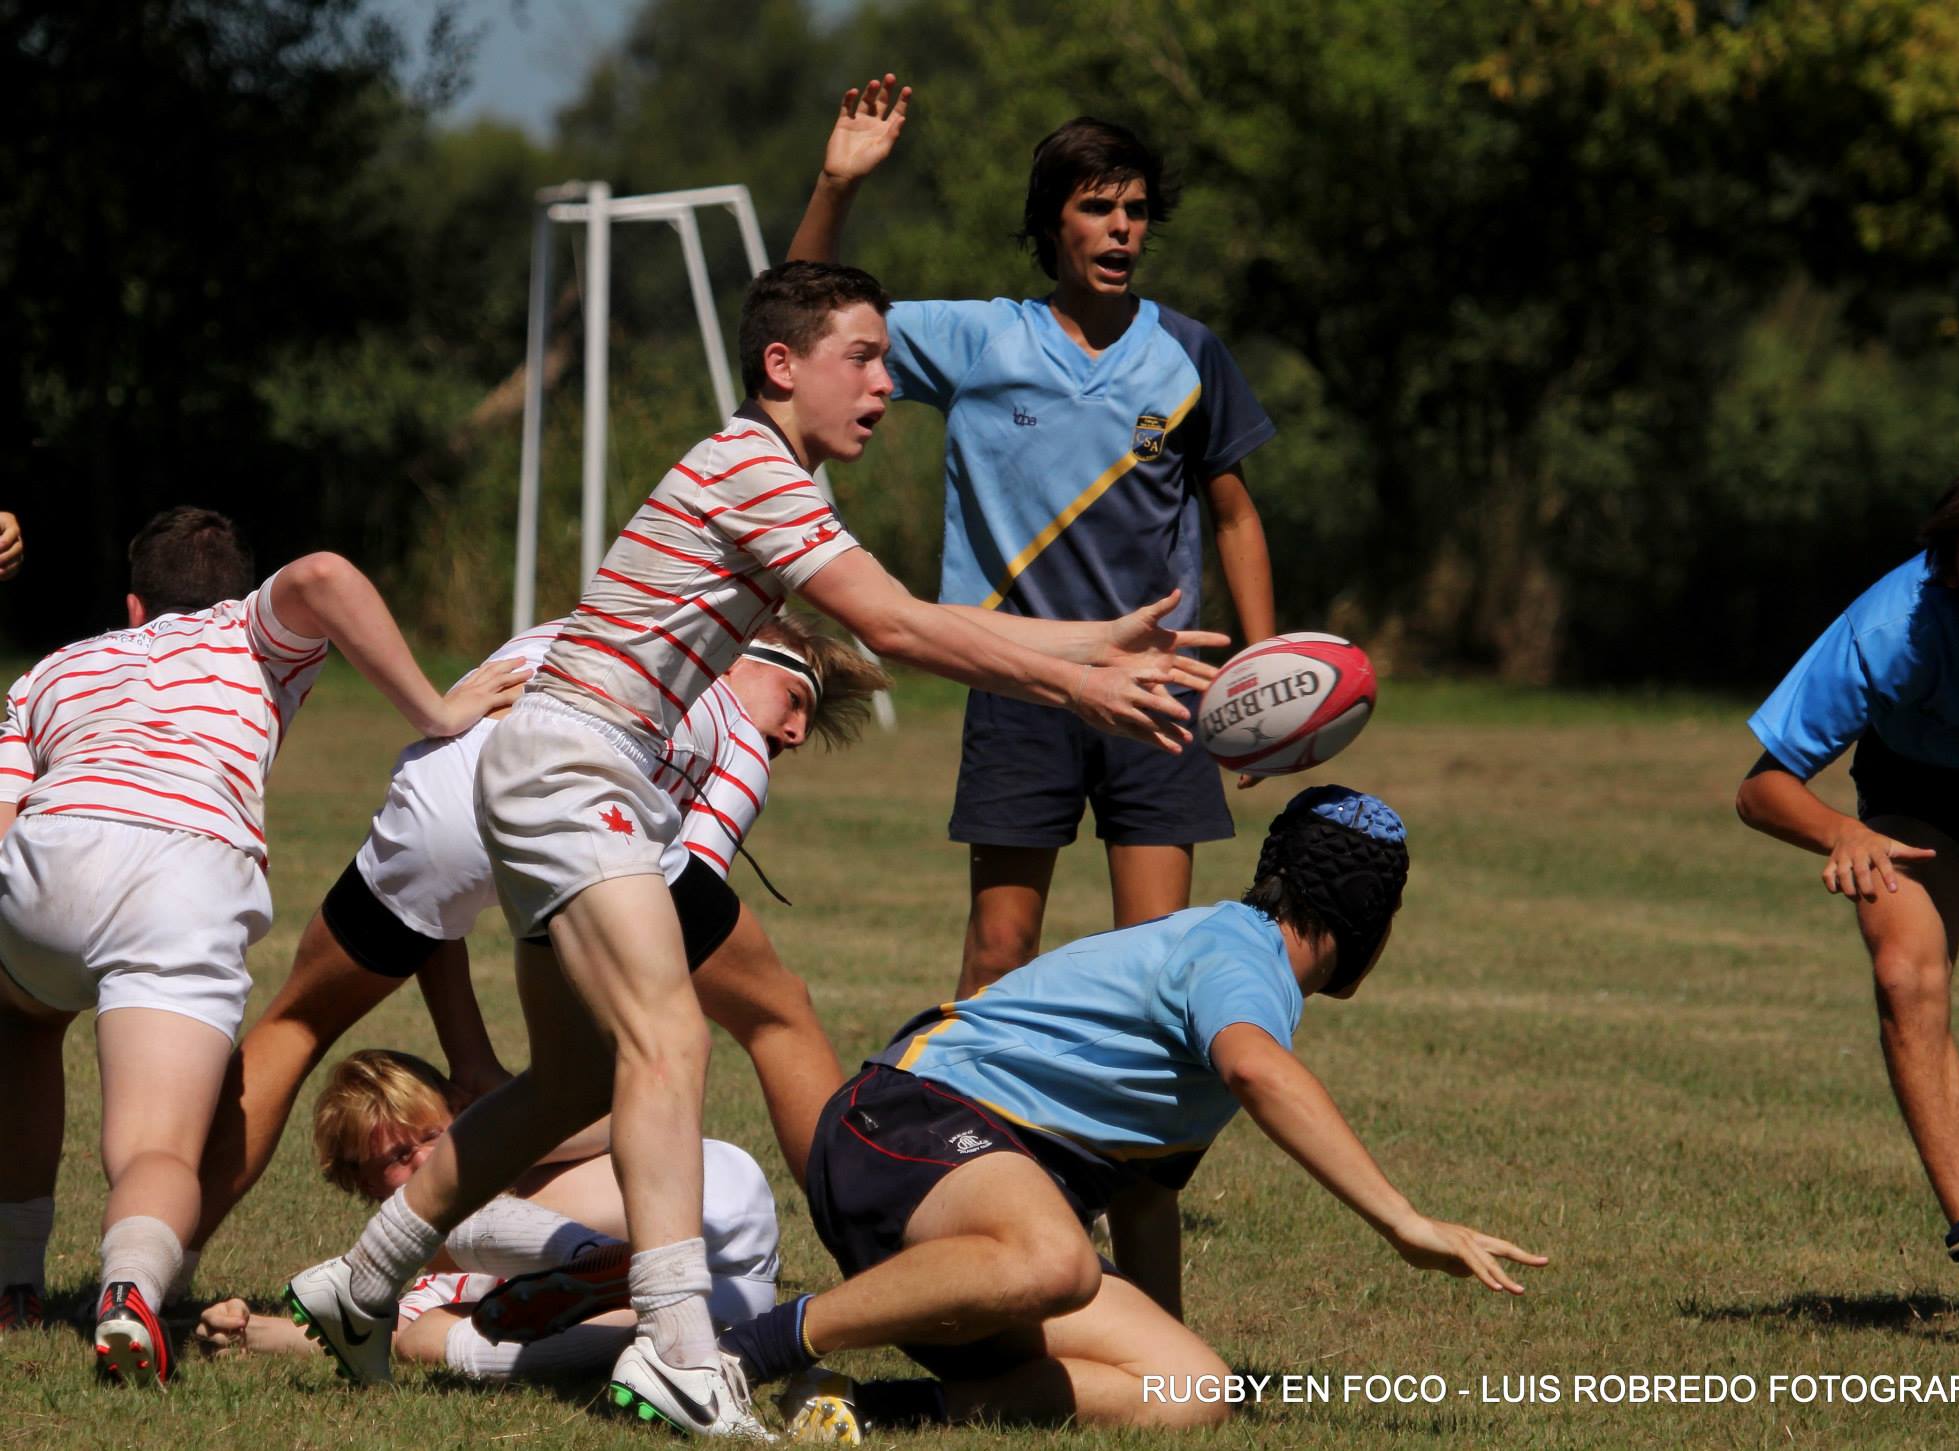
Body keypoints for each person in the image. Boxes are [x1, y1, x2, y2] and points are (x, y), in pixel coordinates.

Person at [284, 260, 1226, 1438]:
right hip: (574, 765)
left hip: (561, 769)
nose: (887, 382)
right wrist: (1080, 683)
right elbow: (891, 626)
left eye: (888, 359)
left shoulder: (763, 470)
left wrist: (1094, 639)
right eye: (863, 358)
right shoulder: (751, 467)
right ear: (783, 365)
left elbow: (907, 614)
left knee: (578, 1076)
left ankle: (360, 1282)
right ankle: (679, 1344)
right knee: (669, 1032)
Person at [696, 786, 1545, 1437]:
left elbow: (1146, 1194)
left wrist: (1149, 1336)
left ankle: (875, 1410)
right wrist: (1402, 1219)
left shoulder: (1246, 982)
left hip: (963, 1205)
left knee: (1193, 1388)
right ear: (1373, 926)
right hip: (905, 1126)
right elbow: (1258, 1070)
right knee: (1058, 1258)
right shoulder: (1236, 955)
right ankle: (740, 1352)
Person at [0, 507, 524, 1384]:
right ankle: (128, 1292)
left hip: (52, 854)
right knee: (153, 1150)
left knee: (19, 1021)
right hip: (185, 875)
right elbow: (321, 574)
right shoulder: (247, 629)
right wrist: (437, 708)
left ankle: (15, 1281)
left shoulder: (53, 668)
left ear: (134, 607)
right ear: (236, 594)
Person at [190, 610, 884, 1267]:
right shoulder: (735, 729)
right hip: (574, 812)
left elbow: (442, 898)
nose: (793, 732)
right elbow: (673, 903)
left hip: (445, 794)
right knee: (776, 1011)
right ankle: (872, 1252)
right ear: (739, 658)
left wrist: (471, 1057)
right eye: (795, 699)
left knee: (298, 1019)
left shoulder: (589, 624)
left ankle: (162, 1260)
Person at [790, 78, 1280, 1000]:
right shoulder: (980, 340)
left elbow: (1235, 514)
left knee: (1157, 963)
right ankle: (967, 1137)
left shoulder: (1188, 352)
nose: (1121, 228)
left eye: (1135, 211)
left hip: (1159, 683)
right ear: (1052, 226)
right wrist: (837, 185)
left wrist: (1263, 666)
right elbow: (805, 317)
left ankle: (1120, 1149)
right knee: (1000, 952)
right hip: (1018, 679)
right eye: (1096, 209)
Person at [1738, 428, 1959, 1358]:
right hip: (1925, 788)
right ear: (1948, 567)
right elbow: (1761, 784)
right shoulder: (1890, 624)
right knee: (1906, 979)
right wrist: (1843, 831)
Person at [199, 1050, 781, 1385]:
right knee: (418, 1335)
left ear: (463, 1113)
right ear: (362, 1184)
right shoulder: (431, 1271)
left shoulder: (514, 1143)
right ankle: (652, 1342)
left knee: (451, 1211)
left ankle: (589, 1264)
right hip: (727, 1307)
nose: (426, 1161)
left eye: (432, 1136)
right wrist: (251, 1331)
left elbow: (623, 1119)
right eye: (399, 1159)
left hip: (702, 1193)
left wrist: (505, 1133)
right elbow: (378, 1329)